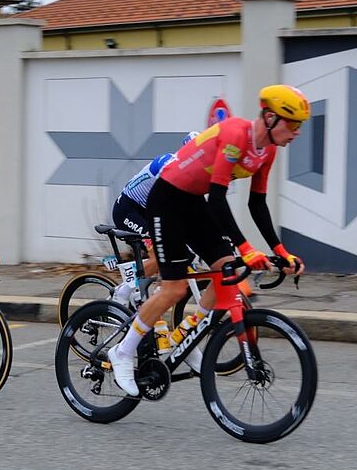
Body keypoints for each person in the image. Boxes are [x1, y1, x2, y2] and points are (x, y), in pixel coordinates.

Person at [107, 84, 309, 396]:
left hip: (193, 203)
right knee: (173, 288)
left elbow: (257, 204)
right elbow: (218, 199)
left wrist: (281, 251)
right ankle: (122, 351)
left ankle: (183, 337)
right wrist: (247, 248)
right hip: (168, 200)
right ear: (269, 117)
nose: (297, 133)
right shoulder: (234, 135)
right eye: (293, 124)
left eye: (300, 126)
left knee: (226, 273)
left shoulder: (266, 152)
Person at [110, 130, 199, 306]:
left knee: (183, 253)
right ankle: (123, 292)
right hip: (128, 210)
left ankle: (151, 292)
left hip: (147, 211)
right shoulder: (169, 165)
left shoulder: (190, 171)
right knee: (160, 255)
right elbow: (166, 203)